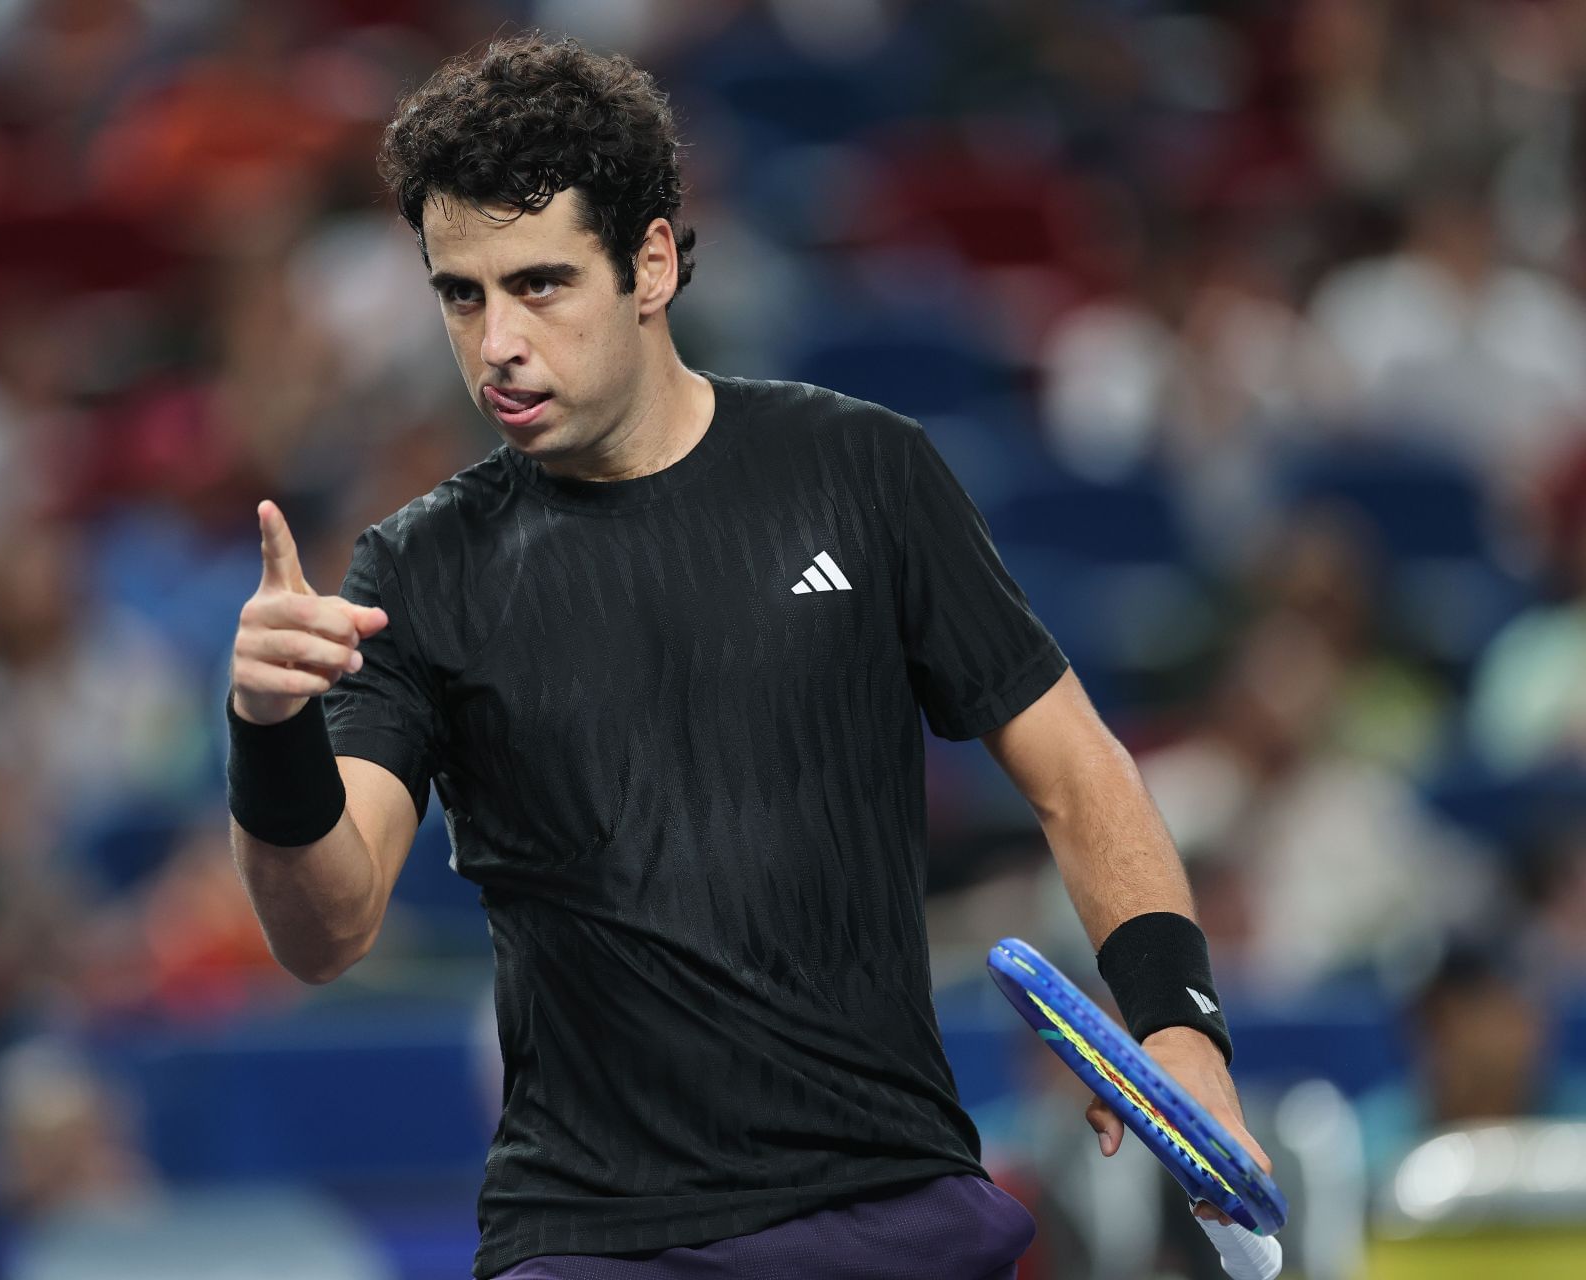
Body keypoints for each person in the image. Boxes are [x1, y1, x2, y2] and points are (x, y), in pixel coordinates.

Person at [224, 32, 1268, 1280]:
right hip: (594, 1245)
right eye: (462, 294)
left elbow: (1078, 771)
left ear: (652, 263)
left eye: (541, 284)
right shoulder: (415, 569)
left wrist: (1178, 1025)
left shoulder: (863, 471)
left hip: (896, 1203)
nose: (497, 340)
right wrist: (269, 730)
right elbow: (327, 927)